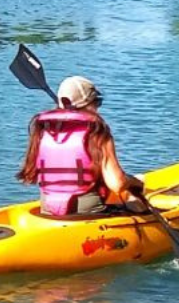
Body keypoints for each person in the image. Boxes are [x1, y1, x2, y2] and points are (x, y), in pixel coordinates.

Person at [18, 75, 145, 217]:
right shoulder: (97, 132)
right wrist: (134, 182)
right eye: (97, 102)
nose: (97, 108)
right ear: (89, 103)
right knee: (136, 205)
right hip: (87, 212)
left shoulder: (43, 131)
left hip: (47, 209)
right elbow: (116, 183)